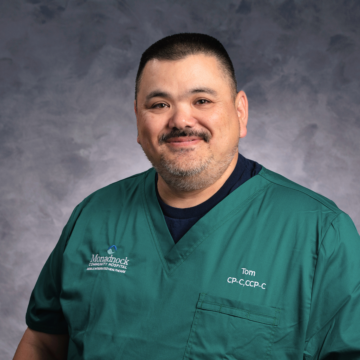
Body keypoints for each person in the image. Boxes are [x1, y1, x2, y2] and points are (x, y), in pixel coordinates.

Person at [14, 33, 360, 360]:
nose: (181, 119)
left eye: (202, 100)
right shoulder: (92, 214)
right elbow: (43, 343)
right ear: (138, 118)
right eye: (160, 103)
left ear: (240, 111)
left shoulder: (321, 233)